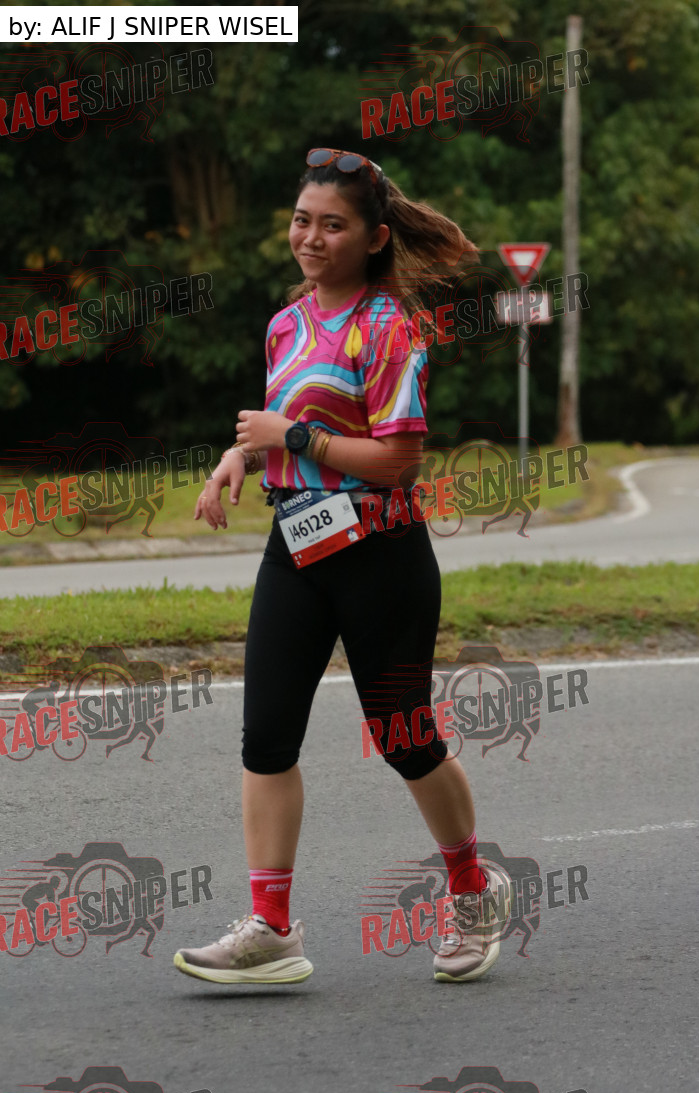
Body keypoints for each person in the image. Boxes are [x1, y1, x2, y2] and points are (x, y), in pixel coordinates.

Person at [173, 147, 510, 987]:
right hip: (296, 547)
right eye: (302, 221)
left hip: (380, 556)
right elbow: (283, 427)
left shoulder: (389, 327)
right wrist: (237, 459)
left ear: (374, 238)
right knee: (265, 739)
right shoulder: (286, 325)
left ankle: (473, 889)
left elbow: (398, 460)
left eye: (333, 225)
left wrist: (293, 438)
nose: (311, 238)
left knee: (406, 739)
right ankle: (271, 928)